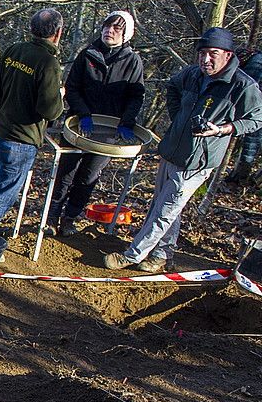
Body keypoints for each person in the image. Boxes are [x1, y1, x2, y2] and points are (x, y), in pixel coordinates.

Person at [105, 28, 262, 272]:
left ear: (228, 55)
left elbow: (256, 119)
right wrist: (178, 117)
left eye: (213, 54)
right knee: (166, 207)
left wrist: (223, 129)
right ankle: (161, 255)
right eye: (202, 53)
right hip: (172, 151)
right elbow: (172, 88)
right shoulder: (192, 74)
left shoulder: (241, 85)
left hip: (197, 161)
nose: (206, 60)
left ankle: (132, 255)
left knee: (164, 212)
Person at [48, 10, 145, 236]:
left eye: (116, 28)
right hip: (79, 126)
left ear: (126, 34)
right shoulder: (88, 54)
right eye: (107, 26)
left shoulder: (133, 61)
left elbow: (136, 95)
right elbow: (72, 87)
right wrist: (83, 114)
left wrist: (126, 122)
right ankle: (51, 217)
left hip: (108, 133)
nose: (109, 31)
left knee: (88, 177)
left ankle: (70, 218)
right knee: (66, 173)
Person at [0, 8, 66, 235]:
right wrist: (60, 97)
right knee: (2, 196)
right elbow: (50, 110)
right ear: (58, 33)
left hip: (0, 132)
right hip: (22, 141)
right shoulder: (48, 63)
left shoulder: (15, 50)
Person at [224, 47, 262, 187]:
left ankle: (240, 178)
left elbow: (246, 87)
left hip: (255, 110)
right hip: (255, 109)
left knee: (250, 143)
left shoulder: (256, 63)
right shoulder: (256, 61)